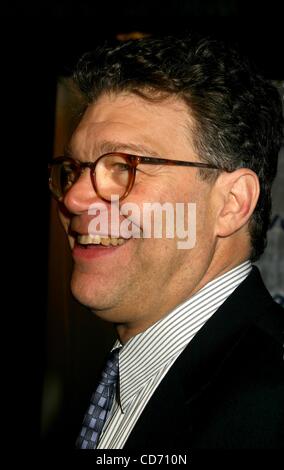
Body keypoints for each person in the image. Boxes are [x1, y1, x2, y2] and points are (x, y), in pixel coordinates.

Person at [48, 33, 284, 450]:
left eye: (123, 164)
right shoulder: (128, 374)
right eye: (72, 169)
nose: (73, 197)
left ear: (231, 203)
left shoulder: (268, 407)